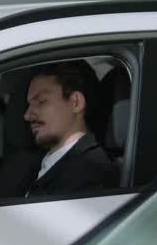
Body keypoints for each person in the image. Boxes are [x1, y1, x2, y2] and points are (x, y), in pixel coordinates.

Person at [10, 60, 119, 197]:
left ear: (76, 102)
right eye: (29, 105)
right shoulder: (35, 163)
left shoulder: (92, 174)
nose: (27, 115)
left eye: (41, 101)